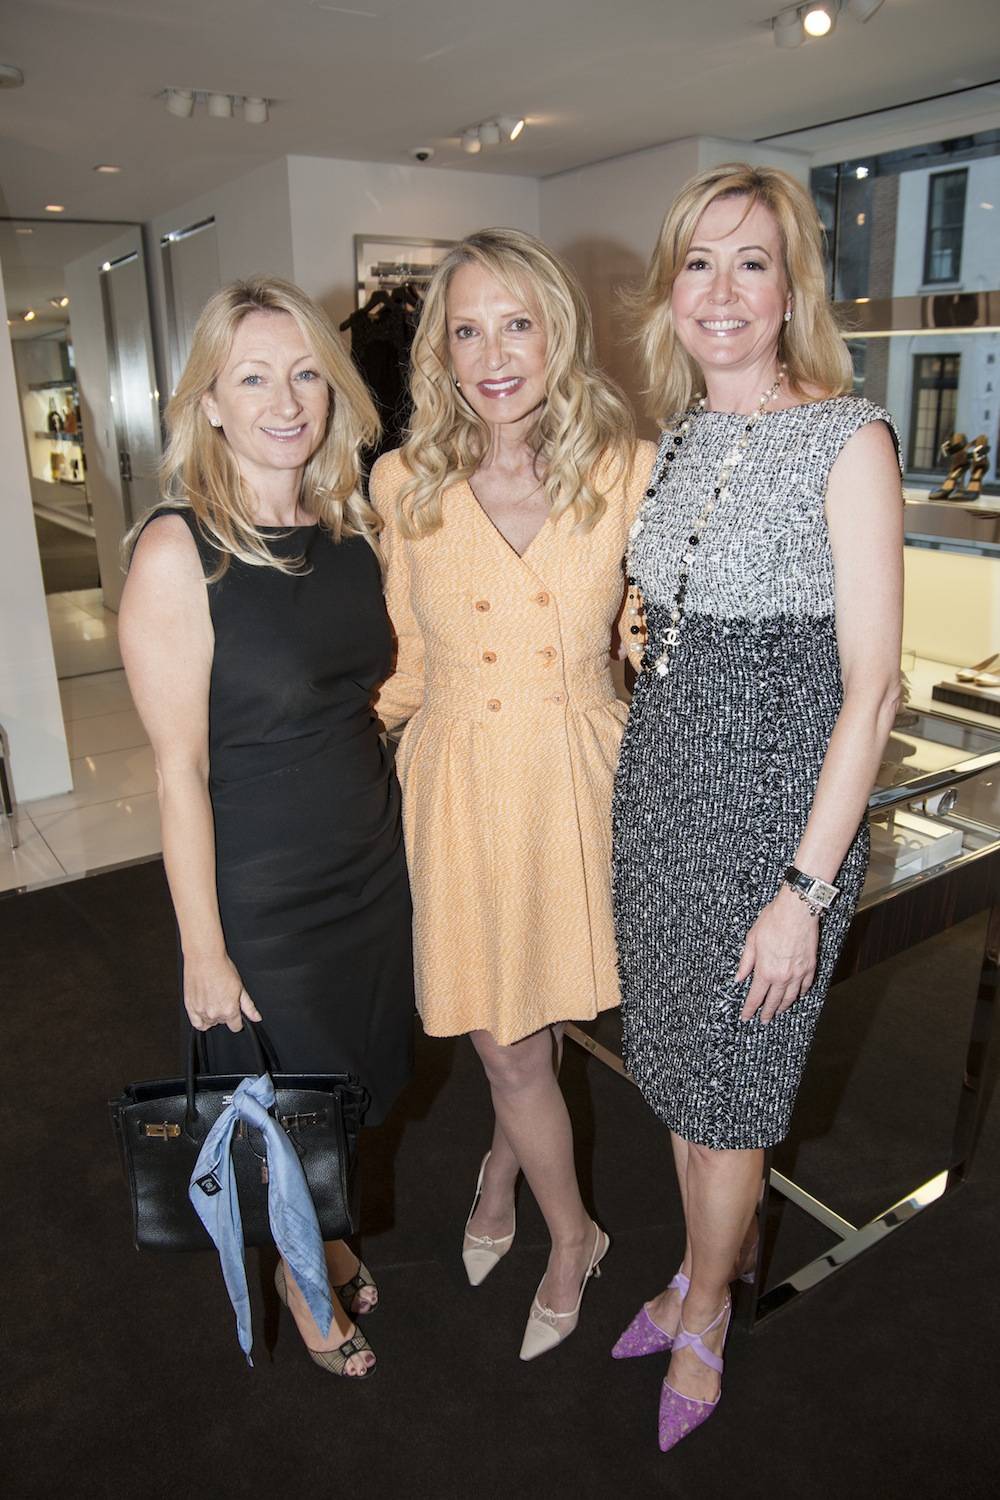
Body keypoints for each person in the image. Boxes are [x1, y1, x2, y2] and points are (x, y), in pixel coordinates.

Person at [610, 163, 903, 1449]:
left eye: (750, 263)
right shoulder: (677, 437)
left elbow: (872, 690)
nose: (721, 291)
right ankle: (692, 1270)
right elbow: (674, 607)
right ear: (669, 291)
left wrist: (802, 893)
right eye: (697, 263)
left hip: (771, 835)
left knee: (729, 1099)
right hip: (660, 808)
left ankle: (709, 1310)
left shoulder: (848, 438)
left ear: (791, 293)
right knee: (681, 1082)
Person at [119, 276, 414, 1379]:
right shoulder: (177, 552)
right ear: (209, 401)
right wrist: (203, 948)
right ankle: (301, 1274)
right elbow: (178, 770)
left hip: (369, 866)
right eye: (253, 378)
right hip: (266, 890)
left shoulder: (350, 530)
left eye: (305, 375)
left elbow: (368, 696)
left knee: (354, 1085)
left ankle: (323, 1235)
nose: (285, 402)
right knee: (283, 1101)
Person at [370, 228, 653, 1360]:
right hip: (458, 784)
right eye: (468, 331)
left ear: (558, 335)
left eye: (517, 325)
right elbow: (404, 661)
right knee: (508, 1039)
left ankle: (504, 1172)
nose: (494, 356)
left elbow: (653, 638)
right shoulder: (404, 483)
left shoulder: (627, 468)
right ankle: (576, 1232)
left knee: (530, 1015)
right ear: (440, 352)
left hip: (577, 775)